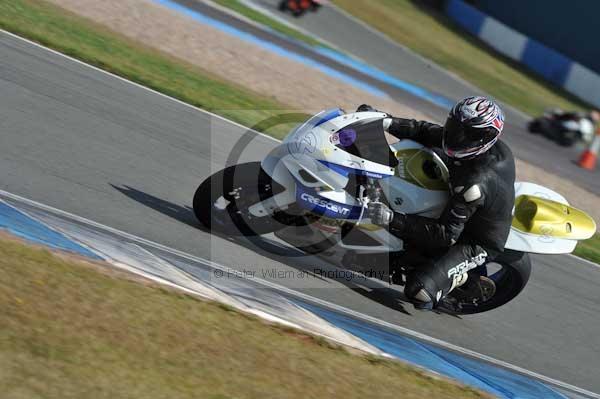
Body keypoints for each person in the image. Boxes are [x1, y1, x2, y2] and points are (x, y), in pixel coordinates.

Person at [358, 97, 515, 310]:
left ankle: (463, 280)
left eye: (465, 133)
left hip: (474, 240)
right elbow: (424, 130)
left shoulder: (475, 184)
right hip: (462, 198)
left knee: (419, 293)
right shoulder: (469, 141)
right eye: (454, 127)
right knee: (416, 150)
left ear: (484, 138)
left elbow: (446, 235)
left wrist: (391, 218)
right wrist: (383, 121)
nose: (455, 136)